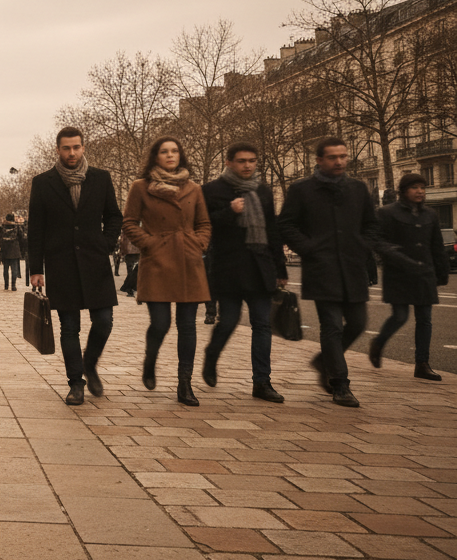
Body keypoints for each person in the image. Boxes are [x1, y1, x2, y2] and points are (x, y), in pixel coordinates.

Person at [278, 137, 380, 407]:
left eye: (343, 156)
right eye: (333, 157)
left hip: (352, 266)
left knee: (357, 324)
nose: (339, 161)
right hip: (322, 268)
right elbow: (286, 225)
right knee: (332, 326)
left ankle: (323, 361)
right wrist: (309, 248)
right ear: (319, 161)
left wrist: (363, 246)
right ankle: (340, 383)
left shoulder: (358, 188)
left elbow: (371, 224)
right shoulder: (302, 189)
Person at [28, 126, 123, 406]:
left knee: (104, 322)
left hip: (95, 263)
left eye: (77, 147)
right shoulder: (43, 182)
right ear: (57, 150)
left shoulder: (101, 179)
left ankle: (90, 363)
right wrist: (36, 269)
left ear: (83, 148)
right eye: (66, 148)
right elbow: (36, 229)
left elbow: (114, 217)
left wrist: (105, 244)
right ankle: (76, 383)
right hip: (62, 264)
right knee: (69, 328)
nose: (72, 152)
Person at [122, 137, 212, 407]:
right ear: (155, 156)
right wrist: (150, 243)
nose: (170, 155)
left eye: (174, 151)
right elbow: (129, 222)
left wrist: (198, 243)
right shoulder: (141, 187)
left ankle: (184, 383)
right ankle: (150, 361)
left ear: (180, 155)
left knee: (187, 326)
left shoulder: (194, 188)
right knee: (161, 323)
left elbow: (204, 223)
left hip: (188, 260)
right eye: (164, 152)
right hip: (157, 261)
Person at [200, 143, 289, 402]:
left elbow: (272, 229)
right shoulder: (212, 190)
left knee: (262, 325)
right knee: (228, 321)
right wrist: (230, 211)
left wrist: (280, 267)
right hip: (229, 268)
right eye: (241, 161)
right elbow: (204, 225)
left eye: (252, 160)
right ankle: (212, 355)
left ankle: (262, 382)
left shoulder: (263, 190)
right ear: (228, 162)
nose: (248, 165)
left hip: (261, 266)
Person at [370, 172, 448, 381]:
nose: (420, 191)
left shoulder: (430, 215)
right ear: (403, 191)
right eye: (415, 187)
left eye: (422, 187)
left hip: (424, 273)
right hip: (399, 274)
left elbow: (437, 246)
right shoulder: (386, 213)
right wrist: (395, 255)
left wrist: (441, 272)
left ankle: (422, 364)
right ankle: (378, 343)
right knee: (400, 316)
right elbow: (377, 241)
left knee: (425, 320)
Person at [0, 213, 27, 291]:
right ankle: (13, 285)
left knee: (5, 269)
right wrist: (22, 249)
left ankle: (6, 285)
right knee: (14, 269)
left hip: (5, 250)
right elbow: (22, 239)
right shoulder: (17, 227)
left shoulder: (2, 227)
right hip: (15, 250)